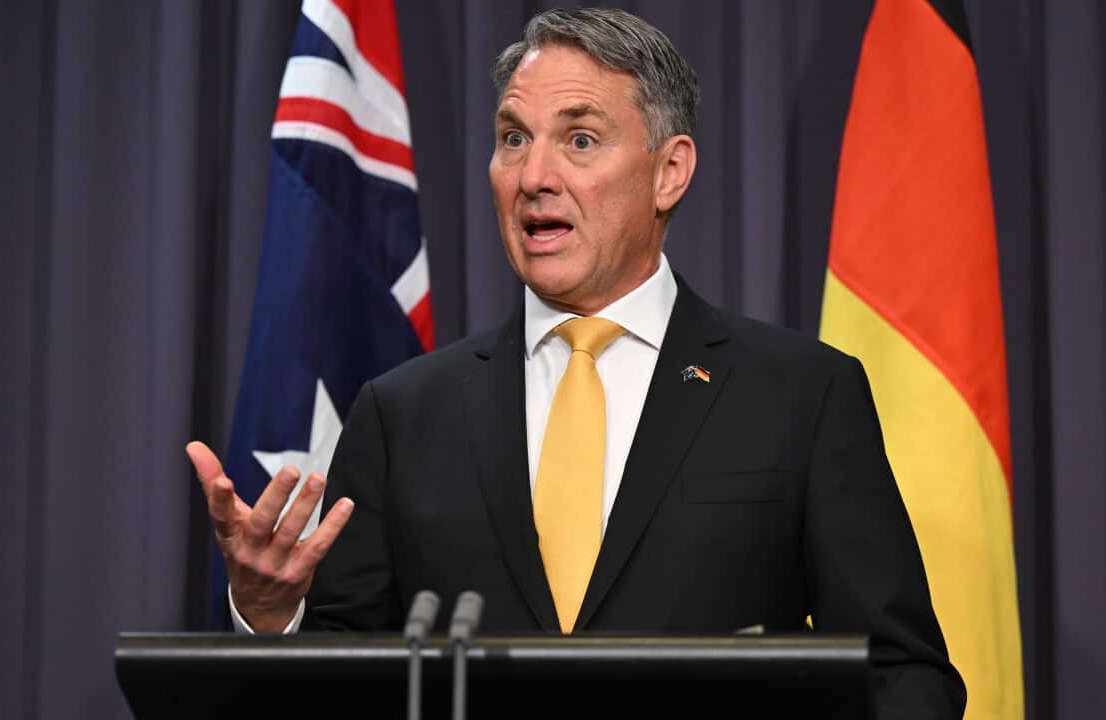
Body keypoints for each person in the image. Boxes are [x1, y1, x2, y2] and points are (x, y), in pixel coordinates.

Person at [186, 7, 965, 717]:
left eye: (580, 139)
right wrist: (271, 615)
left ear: (670, 172)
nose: (533, 178)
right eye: (514, 138)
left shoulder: (801, 394)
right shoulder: (404, 412)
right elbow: (343, 678)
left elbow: (905, 676)